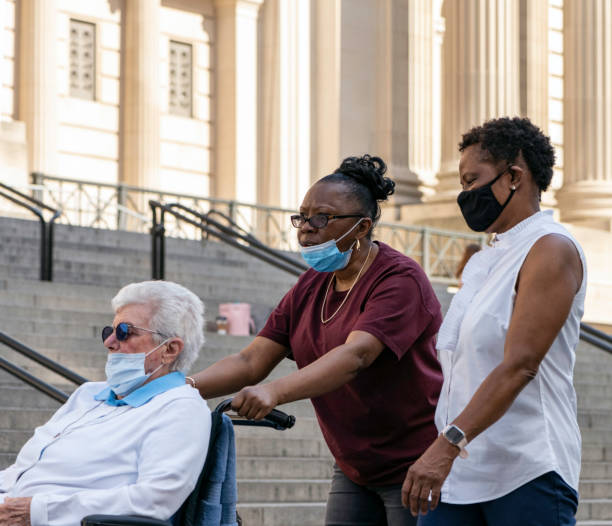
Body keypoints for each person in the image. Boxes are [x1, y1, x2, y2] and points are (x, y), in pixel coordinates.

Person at [189, 154, 444, 526]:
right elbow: (251, 362)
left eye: (321, 218)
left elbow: (356, 355)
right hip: (355, 466)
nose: (306, 228)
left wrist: (274, 393)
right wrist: (179, 388)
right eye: (302, 217)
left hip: (415, 463)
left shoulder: (398, 279)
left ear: (361, 227)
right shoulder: (311, 285)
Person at [402, 117, 586, 526]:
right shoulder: (487, 260)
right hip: (460, 473)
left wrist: (446, 444)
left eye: (472, 180)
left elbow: (520, 364)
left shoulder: (550, 250)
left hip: (526, 470)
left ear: (514, 177)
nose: (465, 194)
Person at [0, 280, 211, 526]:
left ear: (170, 350)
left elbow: (154, 499)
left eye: (124, 332)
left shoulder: (180, 407)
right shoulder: (89, 394)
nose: (109, 342)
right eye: (109, 331)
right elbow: (22, 470)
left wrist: (39, 512)